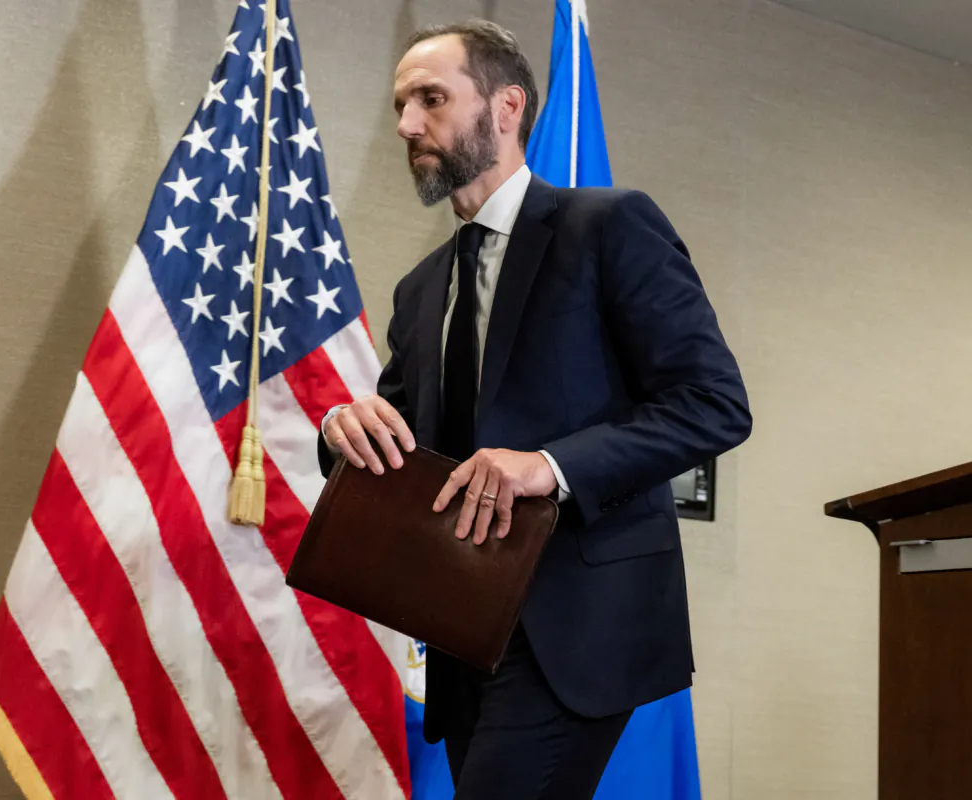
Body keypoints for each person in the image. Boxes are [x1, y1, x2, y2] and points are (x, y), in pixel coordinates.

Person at [317, 19, 752, 800]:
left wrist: (549, 467)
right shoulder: (421, 289)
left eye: (430, 99)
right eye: (400, 106)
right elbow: (396, 447)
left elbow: (714, 405)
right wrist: (340, 430)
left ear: (507, 106)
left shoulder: (608, 227)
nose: (407, 125)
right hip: (460, 630)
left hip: (578, 624)